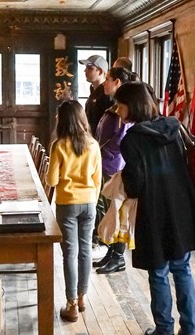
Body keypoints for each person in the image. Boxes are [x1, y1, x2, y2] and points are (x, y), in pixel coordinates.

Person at [116, 82, 195, 335]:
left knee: (158, 272)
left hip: (153, 211)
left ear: (132, 106)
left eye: (121, 106)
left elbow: (134, 187)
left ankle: (164, 330)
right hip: (181, 207)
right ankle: (190, 330)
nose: (118, 111)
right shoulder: (174, 126)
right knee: (183, 269)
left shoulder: (132, 139)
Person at [46, 100, 101, 322]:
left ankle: (70, 305)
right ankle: (82, 297)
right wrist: (92, 201)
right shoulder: (94, 145)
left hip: (67, 203)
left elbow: (51, 180)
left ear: (63, 119)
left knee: (70, 252)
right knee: (85, 249)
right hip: (89, 202)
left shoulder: (59, 145)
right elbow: (97, 180)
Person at [93, 68, 139, 274]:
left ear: (118, 82)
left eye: (108, 80)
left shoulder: (122, 113)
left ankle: (118, 255)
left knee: (116, 211)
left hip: (112, 166)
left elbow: (120, 140)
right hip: (105, 164)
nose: (105, 83)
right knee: (109, 211)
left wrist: (102, 155)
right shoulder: (113, 109)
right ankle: (111, 252)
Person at [78, 54, 113, 259]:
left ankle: (101, 239)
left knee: (101, 196)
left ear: (100, 71)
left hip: (102, 152)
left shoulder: (106, 95)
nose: (85, 71)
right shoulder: (93, 92)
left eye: (89, 68)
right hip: (92, 147)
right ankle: (97, 236)